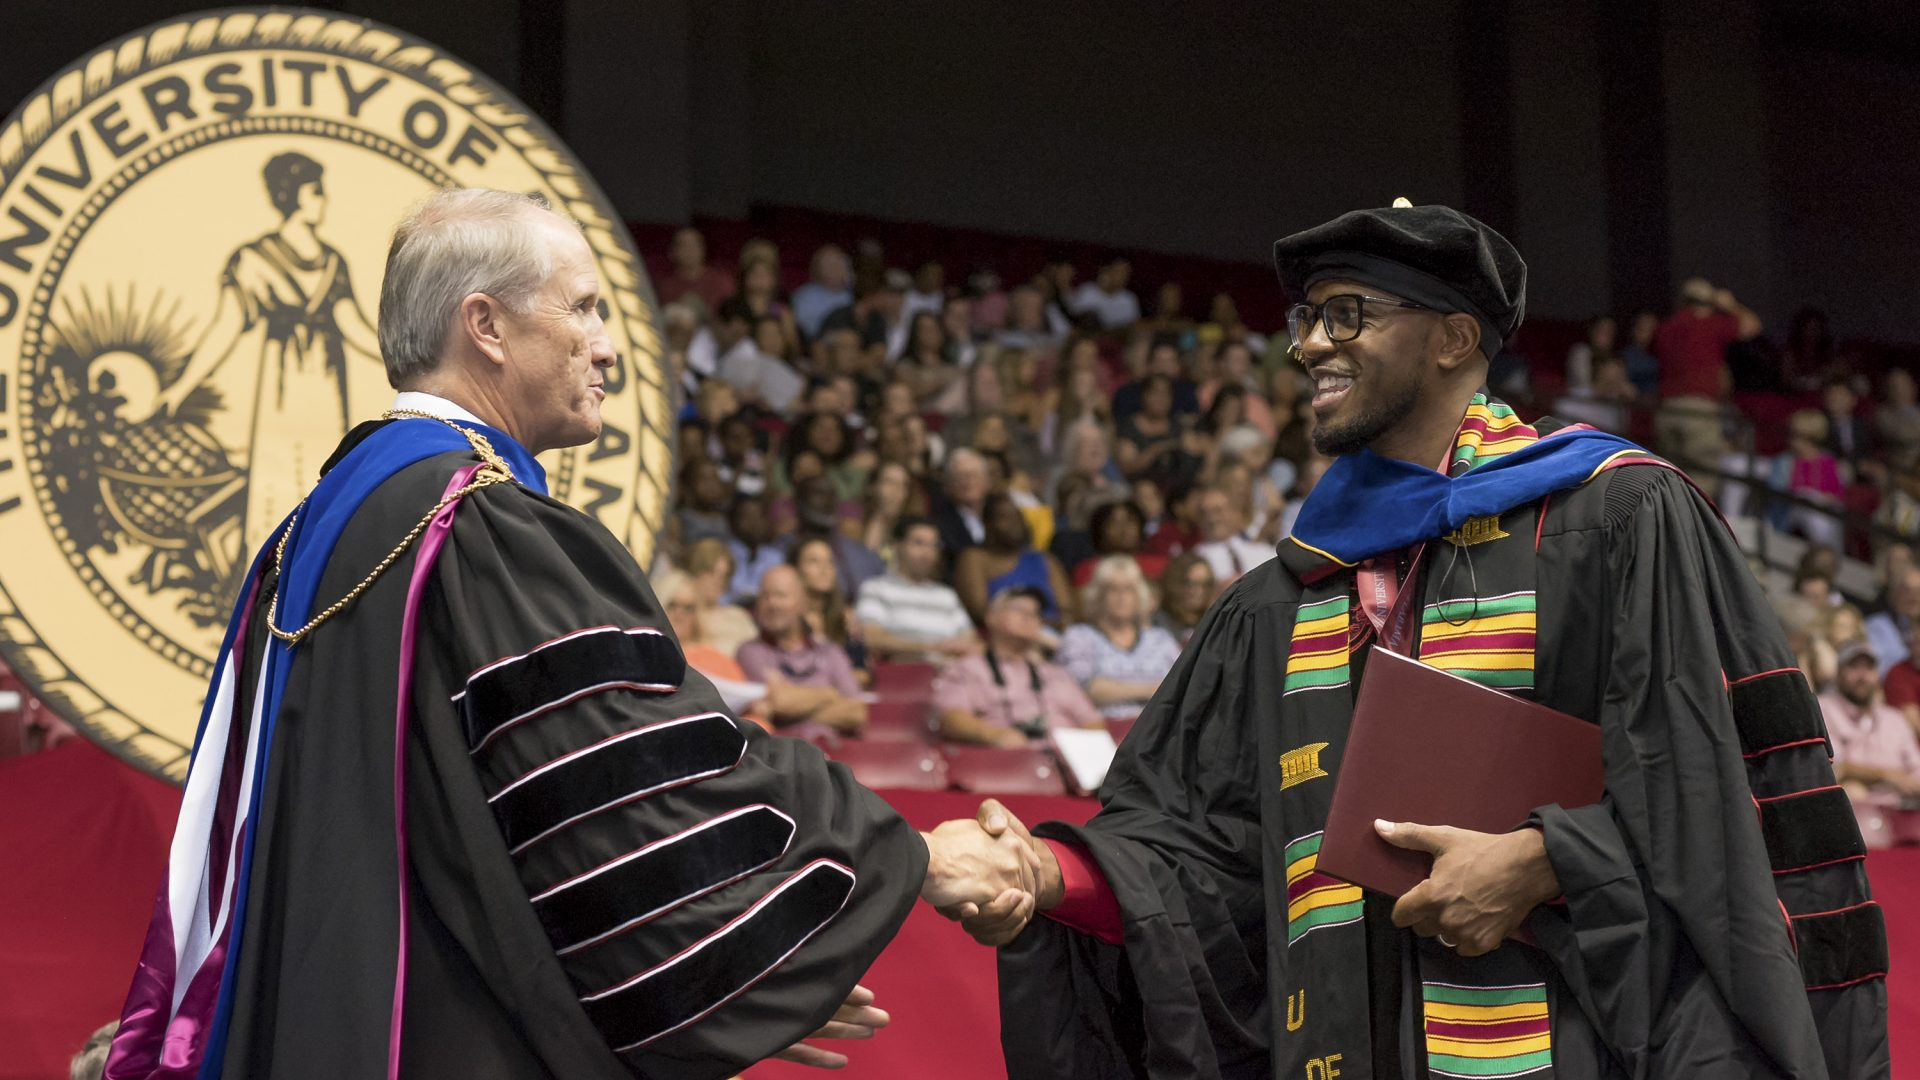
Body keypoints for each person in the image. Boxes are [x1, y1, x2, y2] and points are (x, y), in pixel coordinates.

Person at [106, 189, 1040, 1080]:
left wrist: (711, 962)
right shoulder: (482, 526)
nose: (608, 350)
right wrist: (903, 856)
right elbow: (632, 780)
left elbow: (513, 814)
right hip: (455, 1036)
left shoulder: (321, 521)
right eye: (585, 310)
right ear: (487, 326)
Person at [942, 203, 1885, 1079]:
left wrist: (1547, 859)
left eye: (1346, 314)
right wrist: (1046, 873)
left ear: (1452, 337)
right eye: (1304, 319)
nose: (1311, 342)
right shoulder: (1281, 599)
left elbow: (1733, 791)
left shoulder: (1616, 518)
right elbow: (1205, 861)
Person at [158, 151, 384, 552]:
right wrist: (180, 388)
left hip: (326, 390)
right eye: (315, 192)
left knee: (323, 483)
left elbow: (354, 328)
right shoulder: (253, 260)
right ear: (294, 196)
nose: (324, 200)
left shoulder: (332, 261)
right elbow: (224, 327)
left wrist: (411, 360)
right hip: (281, 393)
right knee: (275, 494)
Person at [932, 586, 1104, 747]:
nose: (1028, 616)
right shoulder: (966, 668)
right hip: (1006, 763)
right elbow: (950, 719)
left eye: (1035, 613)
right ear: (991, 617)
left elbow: (1093, 722)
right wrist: (995, 735)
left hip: (1065, 761)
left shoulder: (1056, 673)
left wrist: (1082, 749)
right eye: (1018, 609)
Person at [737, 565, 867, 735]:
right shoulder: (749, 651)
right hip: (780, 756)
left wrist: (792, 710)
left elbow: (857, 712)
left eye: (780, 595)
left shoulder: (830, 651)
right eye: (764, 596)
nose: (772, 603)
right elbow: (779, 702)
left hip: (833, 754)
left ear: (802, 603)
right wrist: (831, 694)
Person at [1653, 277, 1762, 471]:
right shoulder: (1709, 323)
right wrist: (1731, 306)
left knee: (1672, 477)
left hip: (1667, 409)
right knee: (1702, 478)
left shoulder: (1666, 327)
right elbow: (1753, 326)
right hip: (1699, 410)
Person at [1056, 556, 1182, 720]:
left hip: (1160, 729)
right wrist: (1155, 689)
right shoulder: (1079, 636)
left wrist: (1113, 689)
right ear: (1098, 595)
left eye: (1128, 589)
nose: (1121, 596)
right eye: (1112, 589)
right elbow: (1083, 689)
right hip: (1102, 729)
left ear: (1139, 596)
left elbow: (1182, 687)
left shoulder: (1161, 639)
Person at [856, 517, 979, 663]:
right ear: (897, 546)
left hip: (953, 675)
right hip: (902, 675)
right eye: (919, 543)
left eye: (933, 545)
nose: (927, 553)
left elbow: (973, 642)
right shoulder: (875, 589)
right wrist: (929, 649)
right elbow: (872, 638)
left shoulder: (946, 595)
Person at [954, 493, 1074, 629]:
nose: (1014, 523)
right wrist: (1029, 625)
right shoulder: (974, 557)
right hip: (1002, 636)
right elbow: (979, 611)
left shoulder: (1044, 559)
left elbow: (1067, 612)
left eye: (1018, 516)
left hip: (1052, 636)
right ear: (988, 523)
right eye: (1004, 517)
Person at [1821, 640, 1920, 799]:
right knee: (1853, 791)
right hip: (1855, 805)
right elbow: (1835, 767)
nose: (1863, 676)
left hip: (1901, 806)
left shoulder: (1894, 718)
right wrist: (1886, 775)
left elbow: (1916, 766)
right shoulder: (1824, 710)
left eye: (1869, 668)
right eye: (1854, 667)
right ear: (1838, 673)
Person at [680, 536, 759, 656]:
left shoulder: (738, 617)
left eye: (724, 575)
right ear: (694, 570)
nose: (718, 581)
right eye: (711, 572)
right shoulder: (679, 613)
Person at [1191, 486, 1272, 583]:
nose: (1211, 519)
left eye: (1217, 511)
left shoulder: (1264, 552)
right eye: (1204, 513)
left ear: (1236, 512)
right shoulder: (1194, 559)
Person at [930, 447, 992, 572]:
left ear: (987, 481)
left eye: (973, 475)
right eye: (960, 476)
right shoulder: (938, 523)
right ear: (947, 484)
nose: (968, 482)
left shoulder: (1001, 514)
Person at [653, 224, 733, 312]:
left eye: (694, 244)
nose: (690, 250)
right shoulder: (666, 287)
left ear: (703, 249)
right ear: (673, 252)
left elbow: (731, 319)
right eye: (683, 245)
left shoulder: (721, 281)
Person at [790, 243, 853, 341]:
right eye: (829, 264)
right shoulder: (805, 296)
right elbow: (806, 331)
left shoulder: (855, 293)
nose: (836, 268)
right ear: (818, 269)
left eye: (839, 262)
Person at [1865, 566, 1920, 677]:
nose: (1914, 597)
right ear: (1894, 595)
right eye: (1907, 590)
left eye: (1918, 591)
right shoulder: (1875, 625)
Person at [1153, 551, 1214, 644]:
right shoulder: (1157, 623)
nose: (1199, 591)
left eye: (1205, 584)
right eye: (1191, 584)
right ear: (1176, 584)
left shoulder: (1212, 624)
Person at [1068, 254, 1141, 330]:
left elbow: (1133, 327)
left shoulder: (1129, 299)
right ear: (1106, 271)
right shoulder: (1087, 291)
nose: (1123, 277)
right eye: (1119, 272)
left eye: (1126, 274)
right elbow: (1075, 320)